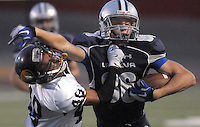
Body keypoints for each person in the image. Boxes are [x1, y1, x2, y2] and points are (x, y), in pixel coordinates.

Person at [8, 0, 196, 126]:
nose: (123, 27)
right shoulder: (94, 46)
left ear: (135, 24)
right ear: (104, 23)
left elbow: (187, 77)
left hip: (138, 120)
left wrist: (157, 93)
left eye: (128, 22)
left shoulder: (146, 47)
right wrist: (35, 31)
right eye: (117, 21)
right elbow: (63, 45)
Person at [14, 42, 124, 127]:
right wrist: (114, 65)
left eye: (47, 53)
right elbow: (103, 97)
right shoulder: (60, 93)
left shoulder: (38, 78)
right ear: (43, 76)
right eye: (49, 63)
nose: (54, 57)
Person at [9, 2, 79, 92]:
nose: (45, 25)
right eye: (40, 21)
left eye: (48, 21)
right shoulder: (27, 43)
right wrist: (36, 92)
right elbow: (15, 77)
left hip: (61, 89)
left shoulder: (64, 39)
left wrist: (61, 84)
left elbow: (75, 70)